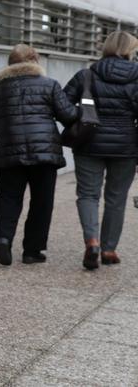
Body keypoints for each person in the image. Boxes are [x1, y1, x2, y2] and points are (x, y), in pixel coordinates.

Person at [0, 44, 77, 266]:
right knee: (42, 202)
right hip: (44, 154)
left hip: (8, 152)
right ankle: (32, 251)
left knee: (8, 198)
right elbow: (67, 116)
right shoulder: (50, 85)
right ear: (35, 61)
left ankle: (4, 239)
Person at [64, 31, 138, 270]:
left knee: (88, 195)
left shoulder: (86, 75)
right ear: (130, 50)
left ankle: (92, 241)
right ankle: (109, 249)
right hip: (126, 145)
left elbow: (63, 104)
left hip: (89, 143)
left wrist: (82, 118)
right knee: (116, 199)